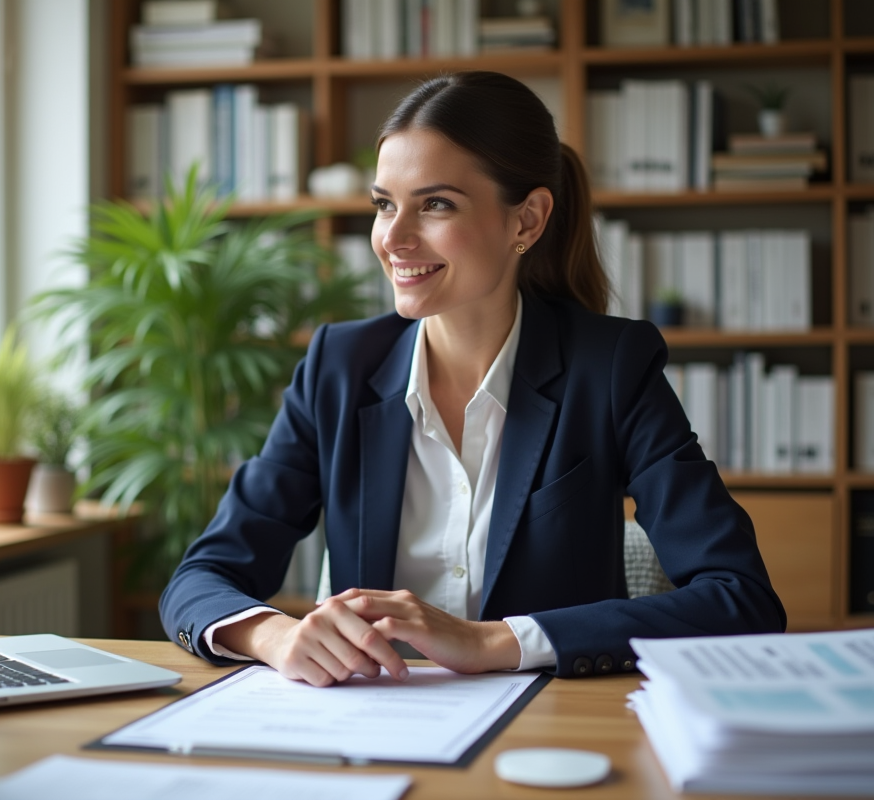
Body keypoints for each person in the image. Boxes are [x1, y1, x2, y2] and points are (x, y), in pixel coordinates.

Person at [160, 71, 785, 687]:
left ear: (527, 221)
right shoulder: (339, 367)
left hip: (550, 733)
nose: (393, 239)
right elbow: (201, 577)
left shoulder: (611, 369)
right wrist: (276, 635)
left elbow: (741, 598)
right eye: (384, 204)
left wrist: (490, 641)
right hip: (373, 725)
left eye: (435, 204)